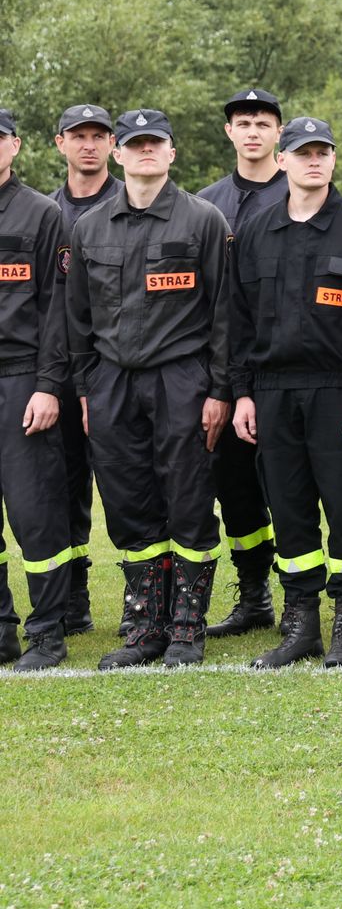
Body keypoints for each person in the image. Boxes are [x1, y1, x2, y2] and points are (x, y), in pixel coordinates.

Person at [67, 110, 232, 668]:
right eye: (134, 144)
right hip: (111, 381)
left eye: (153, 144)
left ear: (171, 153)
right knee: (128, 502)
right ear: (118, 153)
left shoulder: (202, 220)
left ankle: (187, 625)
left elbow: (224, 314)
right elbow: (77, 320)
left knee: (187, 498)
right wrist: (87, 388)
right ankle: (145, 626)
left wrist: (218, 390)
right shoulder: (88, 227)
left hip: (182, 378)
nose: (143, 153)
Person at [227, 118, 342, 668]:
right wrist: (242, 392)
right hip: (271, 392)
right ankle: (301, 626)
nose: (313, 161)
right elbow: (237, 321)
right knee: (289, 509)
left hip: (339, 390)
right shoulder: (254, 231)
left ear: (335, 161)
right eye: (302, 152)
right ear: (283, 160)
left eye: (323, 152)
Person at [198, 88, 287, 643]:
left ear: (279, 132)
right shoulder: (206, 205)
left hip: (282, 372)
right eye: (242, 123)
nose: (252, 131)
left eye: (262, 122)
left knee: (293, 487)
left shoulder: (304, 192)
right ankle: (254, 593)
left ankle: (309, 597)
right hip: (218, 374)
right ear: (229, 133)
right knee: (233, 487)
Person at [0, 109, 77, 669]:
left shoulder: (42, 214)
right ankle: (2, 629)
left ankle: (47, 632)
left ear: (16, 146)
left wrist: (49, 386)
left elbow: (59, 311)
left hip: (22, 377)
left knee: (35, 512)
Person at [47, 102, 123, 638]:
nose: (89, 144)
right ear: (60, 144)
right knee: (62, 484)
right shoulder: (45, 212)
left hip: (118, 371)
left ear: (113, 144)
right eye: (80, 136)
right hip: (56, 371)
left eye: (100, 136)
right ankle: (74, 594)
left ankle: (149, 597)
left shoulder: (134, 200)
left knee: (129, 486)